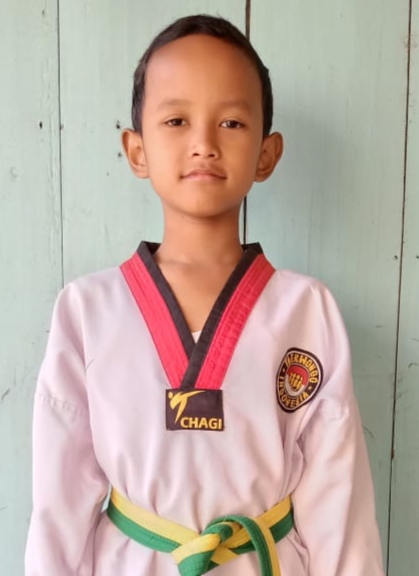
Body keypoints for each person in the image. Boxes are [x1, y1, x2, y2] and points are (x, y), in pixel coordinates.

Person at [25, 13, 385, 576]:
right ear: (136, 150)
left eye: (232, 123)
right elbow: (58, 503)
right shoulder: (88, 311)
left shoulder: (306, 311)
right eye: (176, 120)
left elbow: (340, 500)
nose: (203, 144)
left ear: (266, 153)